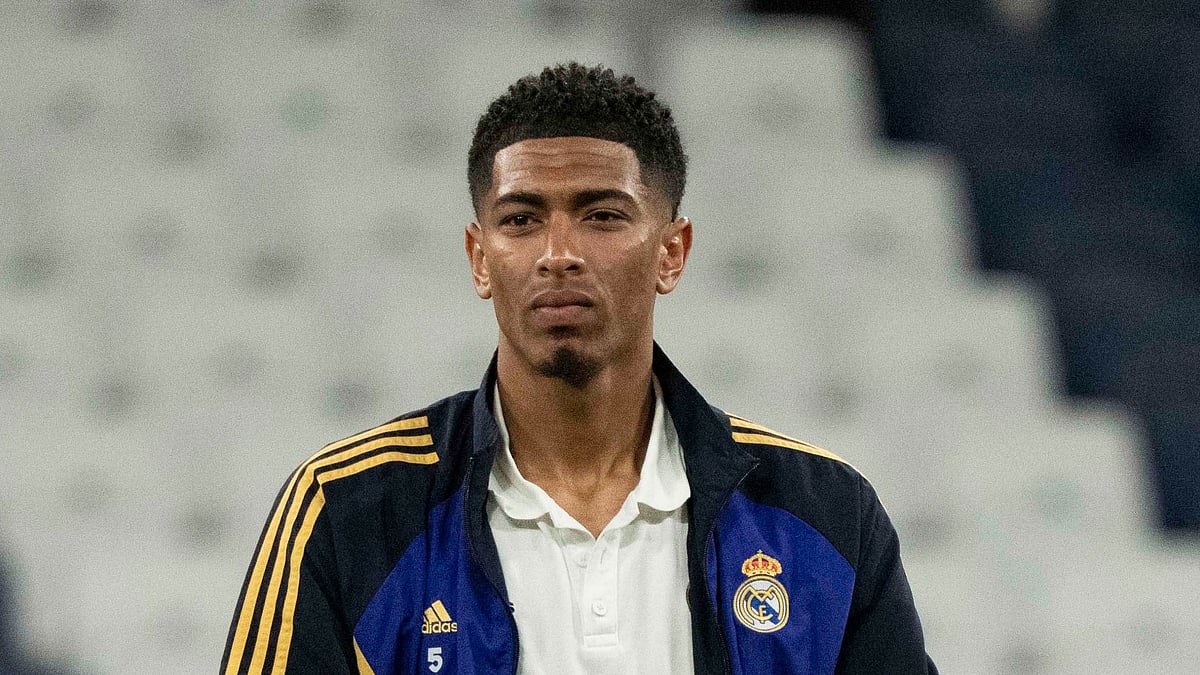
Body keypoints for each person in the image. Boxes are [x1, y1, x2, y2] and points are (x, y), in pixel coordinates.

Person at [221, 62, 937, 674]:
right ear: (478, 256)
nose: (557, 251)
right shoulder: (345, 509)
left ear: (672, 251)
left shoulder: (825, 516)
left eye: (602, 215)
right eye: (521, 219)